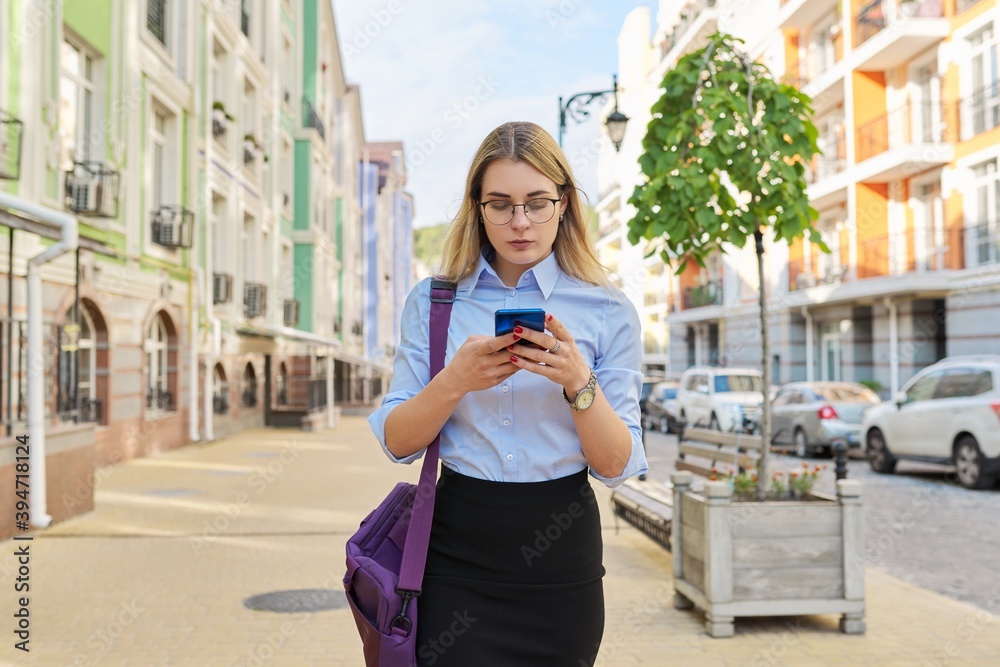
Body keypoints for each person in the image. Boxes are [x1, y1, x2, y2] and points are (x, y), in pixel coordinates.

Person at [367, 120, 647, 666]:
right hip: (455, 553)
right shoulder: (434, 301)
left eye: (537, 202)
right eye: (500, 204)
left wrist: (576, 382)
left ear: (564, 203)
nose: (520, 222)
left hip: (562, 560)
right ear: (477, 208)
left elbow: (616, 464)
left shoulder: (609, 309)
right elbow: (397, 442)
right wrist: (455, 381)